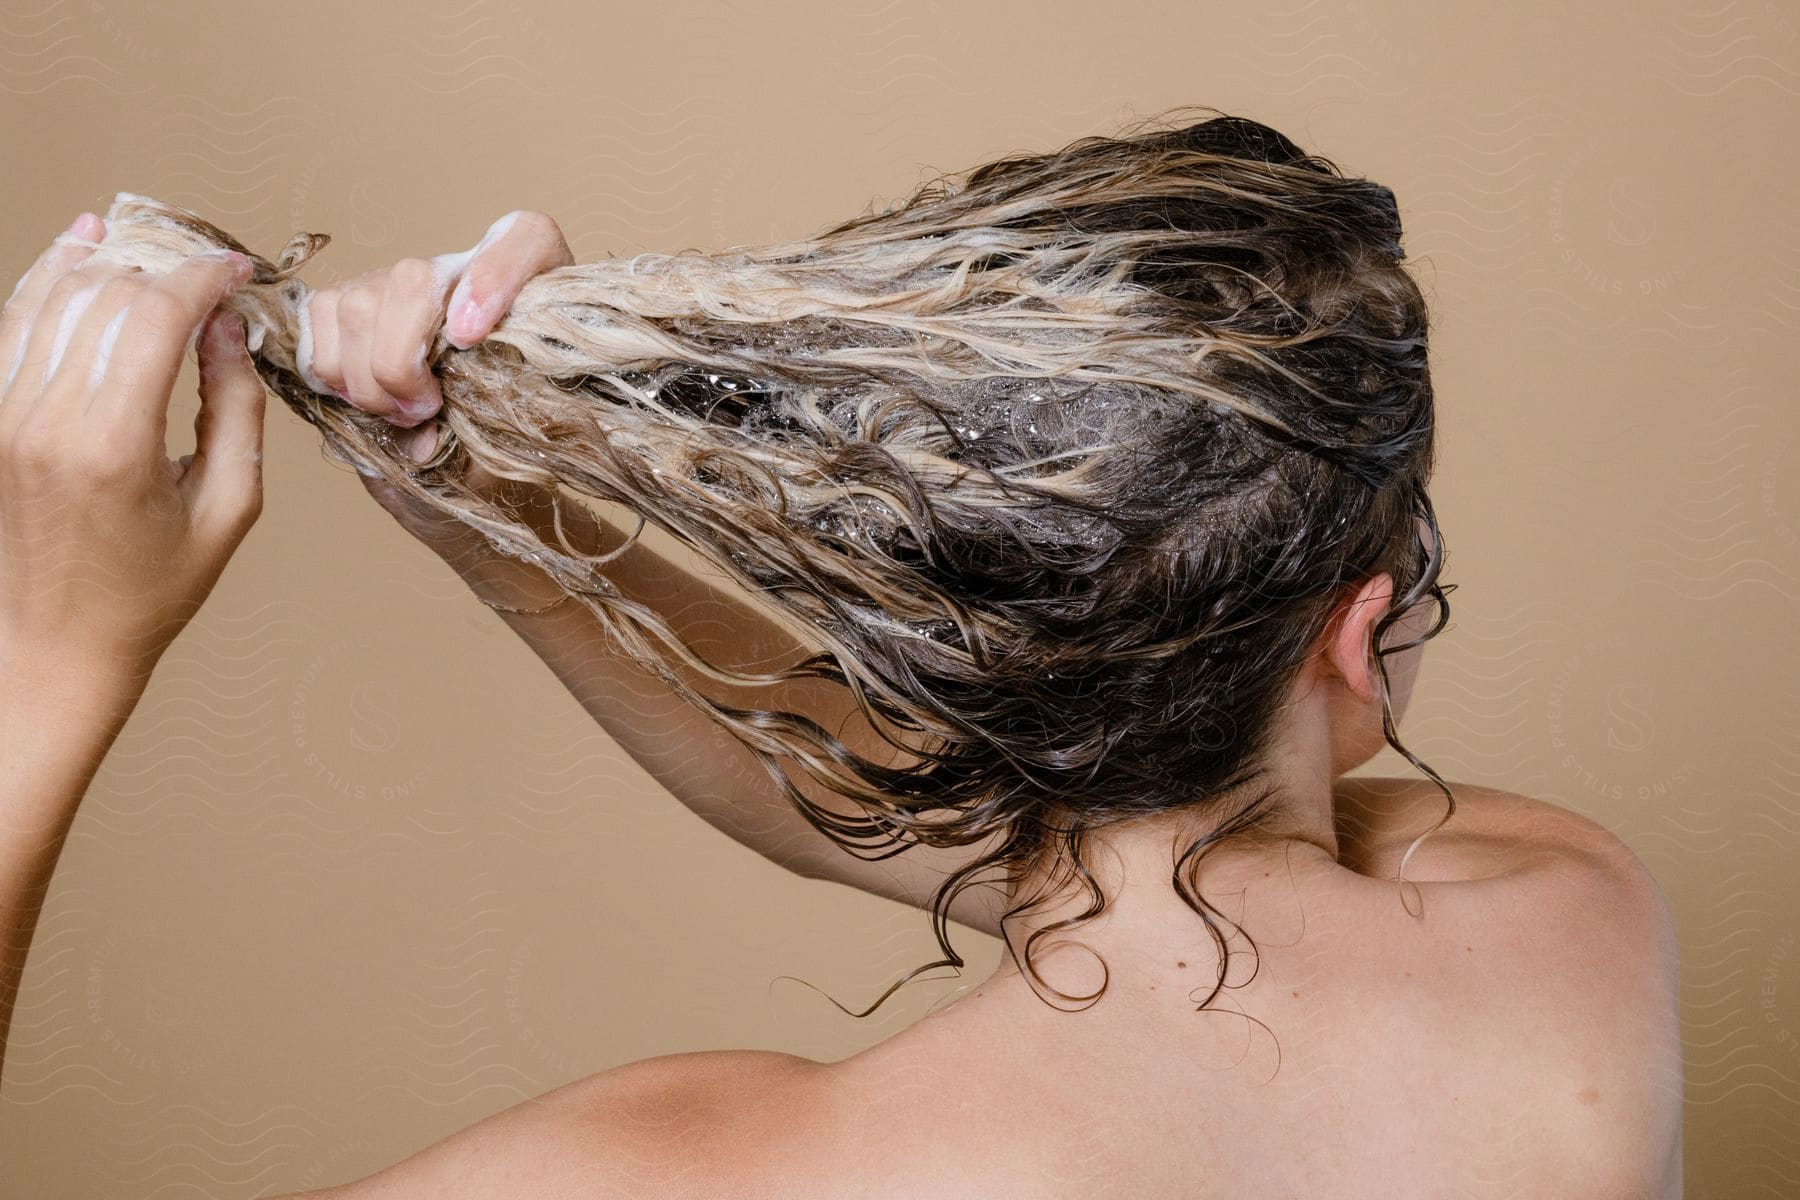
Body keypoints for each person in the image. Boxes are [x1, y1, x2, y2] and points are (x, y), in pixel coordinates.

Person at [0, 117, 1682, 1197]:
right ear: (1358, 635)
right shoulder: (1566, 928)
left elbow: (966, 796)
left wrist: (47, 654)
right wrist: (474, 486)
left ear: (948, 632)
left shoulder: (686, 1171)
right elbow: (1009, 816)